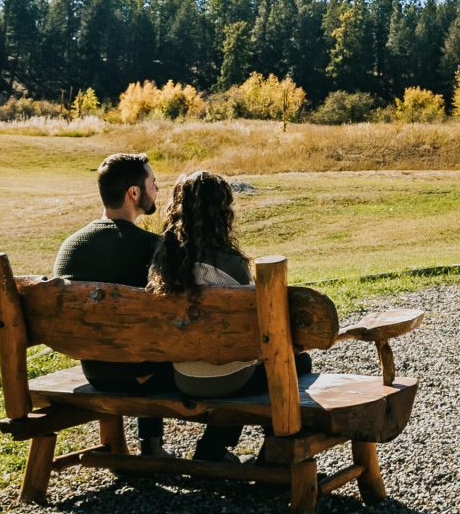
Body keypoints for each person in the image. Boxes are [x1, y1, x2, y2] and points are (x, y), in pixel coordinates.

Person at [148, 170, 313, 463]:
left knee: (228, 359)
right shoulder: (231, 266)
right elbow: (258, 326)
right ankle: (273, 453)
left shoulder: (163, 266)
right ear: (222, 212)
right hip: (229, 378)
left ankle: (212, 450)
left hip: (183, 376)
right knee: (294, 363)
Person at [50, 152, 169, 457]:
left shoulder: (70, 246)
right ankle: (153, 445)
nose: (156, 188)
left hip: (93, 368)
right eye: (152, 183)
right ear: (134, 193)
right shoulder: (152, 248)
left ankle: (150, 446)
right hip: (143, 373)